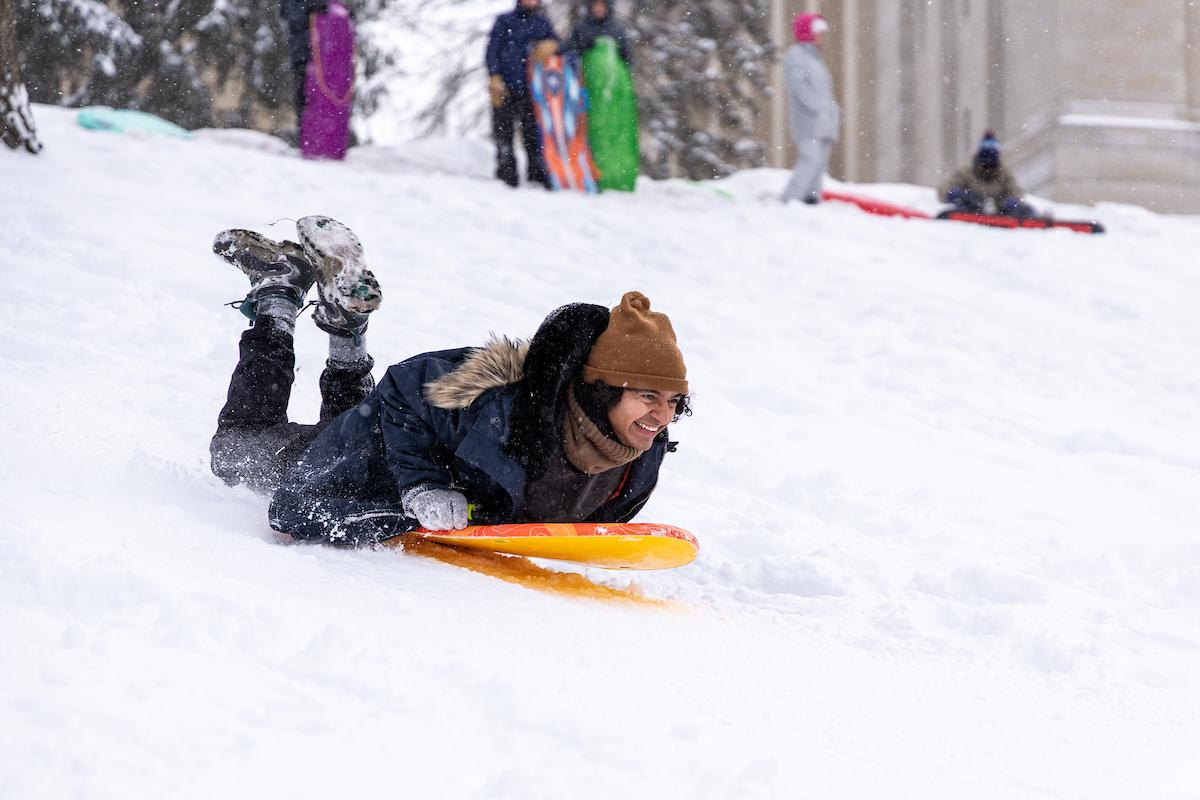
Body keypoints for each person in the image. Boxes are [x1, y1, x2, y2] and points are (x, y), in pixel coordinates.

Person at [209, 218, 691, 546]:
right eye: (647, 396)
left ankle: (346, 327)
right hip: (367, 457)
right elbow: (402, 390)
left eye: (673, 401)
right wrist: (421, 489)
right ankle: (277, 290)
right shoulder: (502, 399)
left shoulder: (639, 448)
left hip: (373, 437)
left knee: (348, 423)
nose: (661, 415)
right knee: (234, 449)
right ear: (600, 389)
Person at [485, 0, 560, 188]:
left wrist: (554, 45)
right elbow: (492, 51)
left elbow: (561, 48)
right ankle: (506, 173)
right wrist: (494, 76)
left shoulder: (543, 24)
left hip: (532, 90)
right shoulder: (504, 21)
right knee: (504, 133)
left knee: (533, 134)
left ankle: (536, 174)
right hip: (504, 87)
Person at [781, 13, 840, 205]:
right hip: (808, 122)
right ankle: (790, 199)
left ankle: (811, 197)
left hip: (823, 122)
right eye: (818, 32)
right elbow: (798, 87)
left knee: (819, 162)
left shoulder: (815, 58)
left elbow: (824, 92)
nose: (821, 36)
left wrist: (831, 114)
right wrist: (816, 107)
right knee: (810, 160)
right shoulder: (796, 55)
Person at [940, 131, 1035, 217]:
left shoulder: (1005, 175)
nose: (988, 169)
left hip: (1001, 215)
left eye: (992, 165)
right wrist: (953, 194)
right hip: (970, 213)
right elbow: (944, 188)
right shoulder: (966, 173)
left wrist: (1013, 201)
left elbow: (1017, 191)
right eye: (984, 165)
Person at [279, 0, 330, 125]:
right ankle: (306, 135)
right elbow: (290, 14)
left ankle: (327, 136)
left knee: (328, 101)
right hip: (303, 57)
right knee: (306, 99)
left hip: (328, 61)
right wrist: (308, 7)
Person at [566, 0, 632, 65]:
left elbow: (627, 55)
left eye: (602, 4)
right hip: (587, 71)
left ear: (608, 6)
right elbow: (571, 50)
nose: (599, 8)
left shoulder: (618, 29)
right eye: (596, 4)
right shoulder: (580, 27)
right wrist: (584, 46)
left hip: (611, 73)